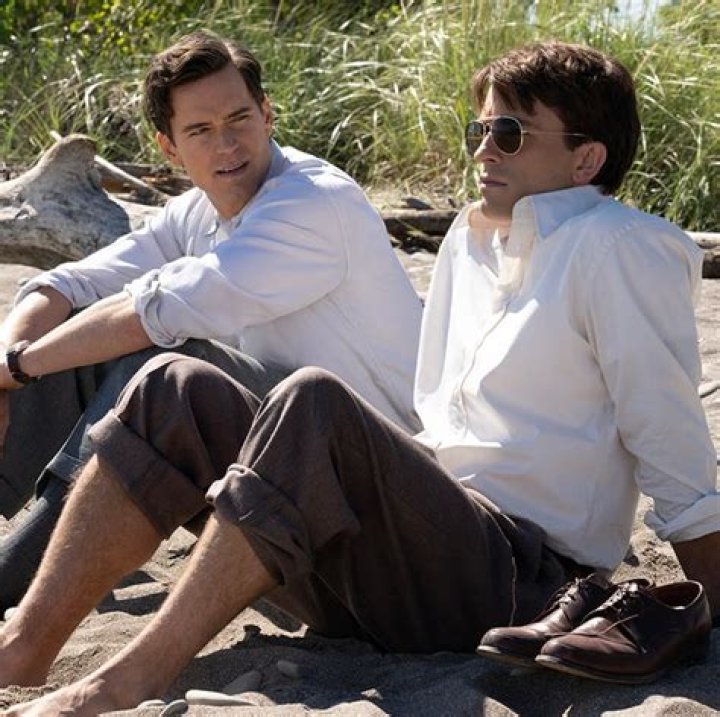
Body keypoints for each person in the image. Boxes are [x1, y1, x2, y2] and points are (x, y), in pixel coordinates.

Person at [1, 40, 718, 715]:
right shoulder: (471, 244)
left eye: (509, 133)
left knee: (310, 397)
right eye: (478, 130)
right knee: (173, 385)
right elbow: (439, 422)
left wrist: (708, 601)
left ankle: (128, 678)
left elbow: (670, 437)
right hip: (410, 559)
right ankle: (21, 649)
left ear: (587, 157)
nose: (482, 150)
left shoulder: (623, 245)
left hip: (526, 582)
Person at [0, 30, 422, 608]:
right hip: (279, 465)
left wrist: (21, 366)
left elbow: (149, 316)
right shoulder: (196, 213)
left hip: (372, 487)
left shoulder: (312, 204)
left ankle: (16, 570)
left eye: (239, 118)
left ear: (267, 115)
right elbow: (71, 284)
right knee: (70, 343)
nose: (227, 145)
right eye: (200, 130)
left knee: (166, 367)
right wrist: (9, 364)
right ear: (169, 147)